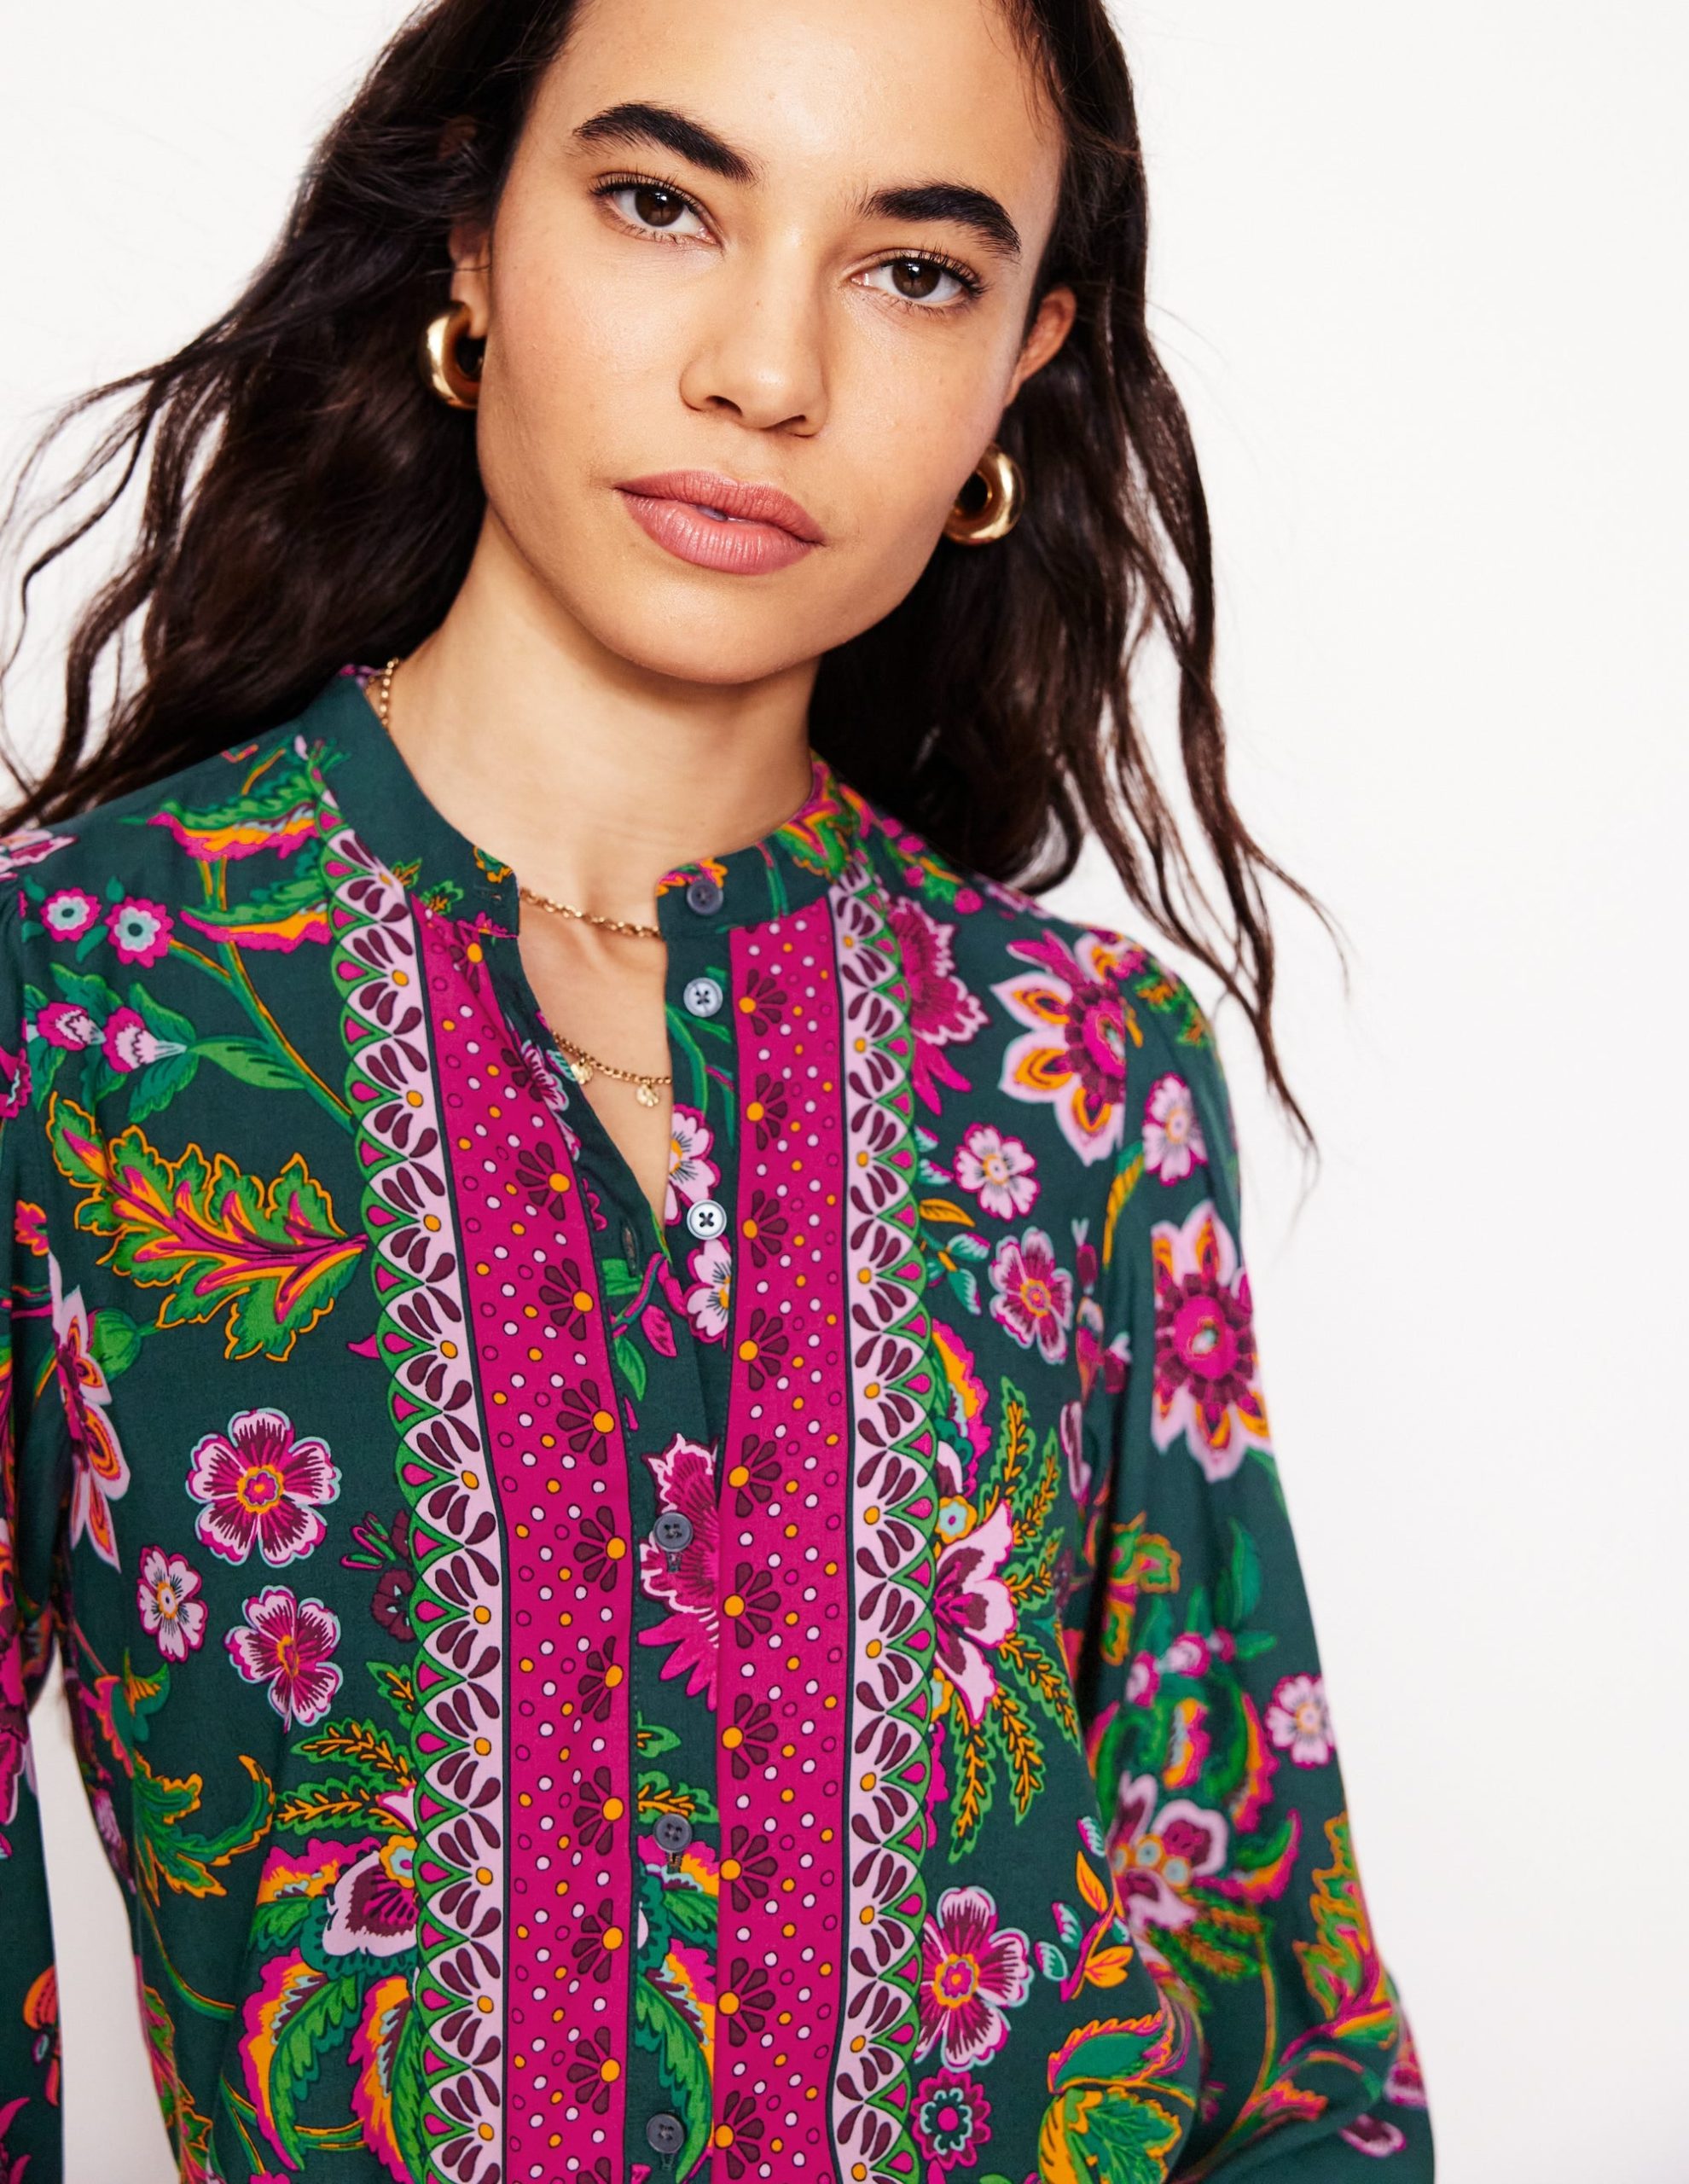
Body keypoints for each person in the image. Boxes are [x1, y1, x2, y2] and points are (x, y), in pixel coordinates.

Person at [0, 1, 1432, 2177]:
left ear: (1020, 368)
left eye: (913, 270)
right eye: (662, 203)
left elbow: (1268, 2028)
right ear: (473, 239)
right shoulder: (77, 1001)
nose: (770, 374)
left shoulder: (1077, 1074)